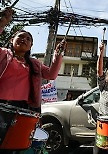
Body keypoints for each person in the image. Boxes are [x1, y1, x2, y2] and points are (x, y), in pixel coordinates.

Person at [0, 7, 66, 154]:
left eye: (28, 39)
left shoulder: (35, 63)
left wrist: (58, 54)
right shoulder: (3, 54)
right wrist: (2, 23)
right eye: (20, 37)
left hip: (24, 111)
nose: (24, 40)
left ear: (31, 46)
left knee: (17, 148)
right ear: (12, 40)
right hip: (1, 107)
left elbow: (51, 75)